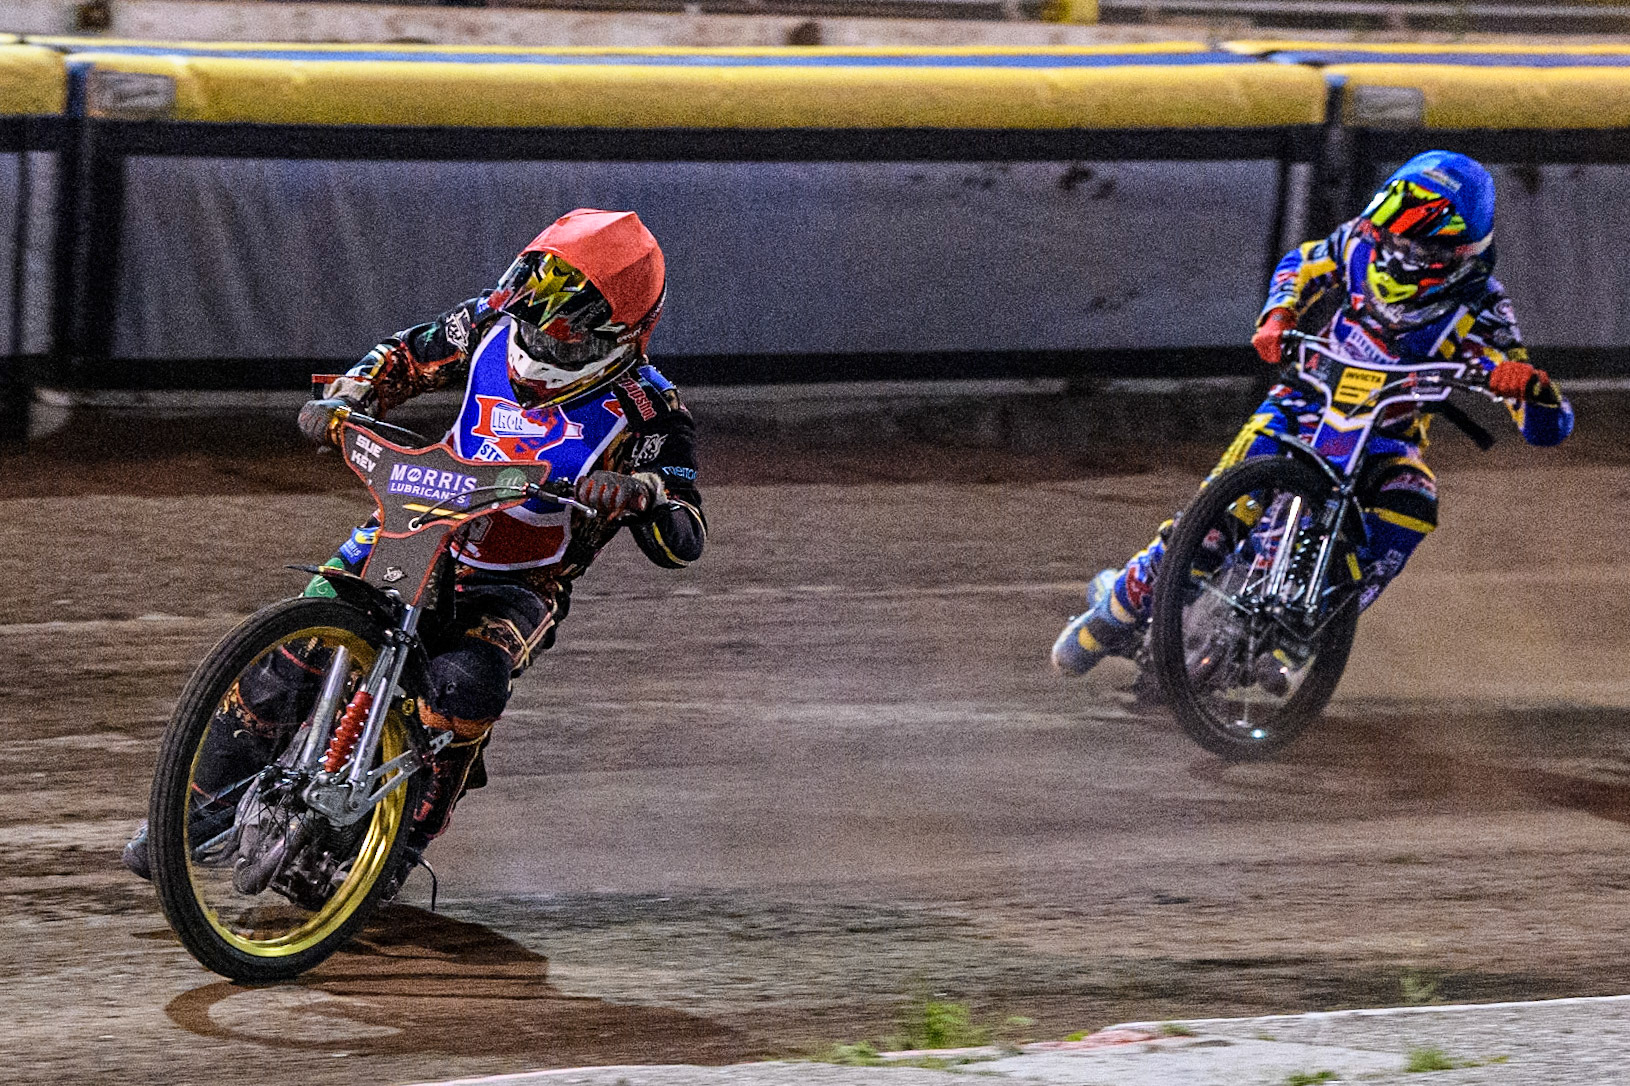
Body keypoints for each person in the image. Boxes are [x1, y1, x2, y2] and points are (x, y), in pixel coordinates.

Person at [124, 209, 706, 889]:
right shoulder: (491, 318)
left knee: (465, 684)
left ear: (618, 335)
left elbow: (685, 534)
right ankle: (196, 813)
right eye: (532, 315)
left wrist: (641, 493)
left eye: (563, 331)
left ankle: (395, 848)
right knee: (294, 646)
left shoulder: (651, 410)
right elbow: (403, 353)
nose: (539, 337)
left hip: (517, 581)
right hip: (418, 520)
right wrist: (346, 394)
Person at [1052, 150, 1573, 677]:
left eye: (1414, 244)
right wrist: (1279, 315)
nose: (1396, 252)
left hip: (1386, 440)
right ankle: (1107, 618)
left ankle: (1307, 633)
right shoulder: (1358, 243)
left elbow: (1546, 424)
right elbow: (1302, 263)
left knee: (1411, 503)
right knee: (1210, 522)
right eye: (1390, 236)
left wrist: (1531, 390)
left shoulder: (1484, 309)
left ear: (1458, 252)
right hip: (1301, 404)